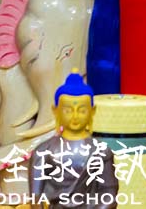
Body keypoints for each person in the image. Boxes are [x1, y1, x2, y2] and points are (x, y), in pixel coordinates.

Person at [28, 74, 118, 208]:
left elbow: (109, 194)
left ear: (92, 111)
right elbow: (36, 197)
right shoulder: (44, 151)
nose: (75, 116)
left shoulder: (101, 151)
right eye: (68, 110)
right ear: (56, 111)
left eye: (82, 111)